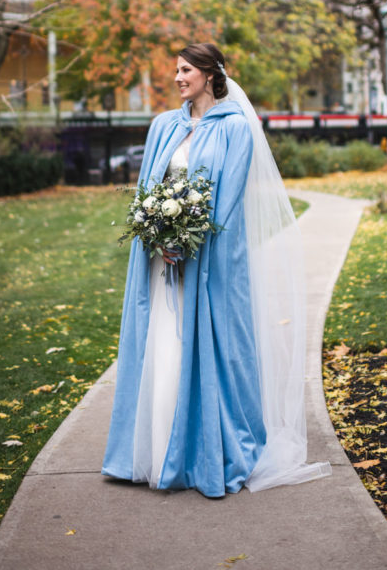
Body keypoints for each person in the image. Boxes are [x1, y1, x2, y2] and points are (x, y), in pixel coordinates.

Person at [101, 42, 331, 497]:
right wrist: (156, 236)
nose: (177, 77)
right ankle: (153, 451)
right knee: (162, 346)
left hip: (210, 260)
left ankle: (202, 453)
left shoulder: (236, 128)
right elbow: (148, 189)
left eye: (186, 70)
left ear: (209, 74)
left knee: (207, 347)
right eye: (176, 70)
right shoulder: (163, 126)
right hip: (159, 261)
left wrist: (187, 244)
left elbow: (226, 203)